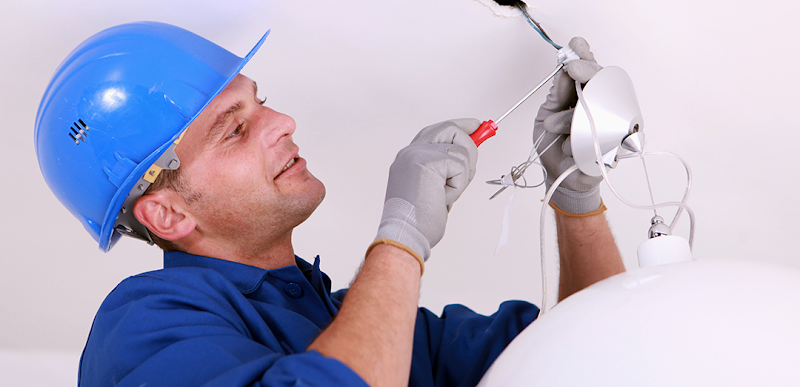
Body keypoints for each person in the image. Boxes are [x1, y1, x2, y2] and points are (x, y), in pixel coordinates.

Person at [35, 22, 624, 386]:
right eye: (234, 129)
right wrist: (402, 236)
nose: (283, 122)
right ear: (168, 214)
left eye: (261, 102)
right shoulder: (144, 326)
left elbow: (592, 354)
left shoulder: (364, 326)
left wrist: (575, 191)